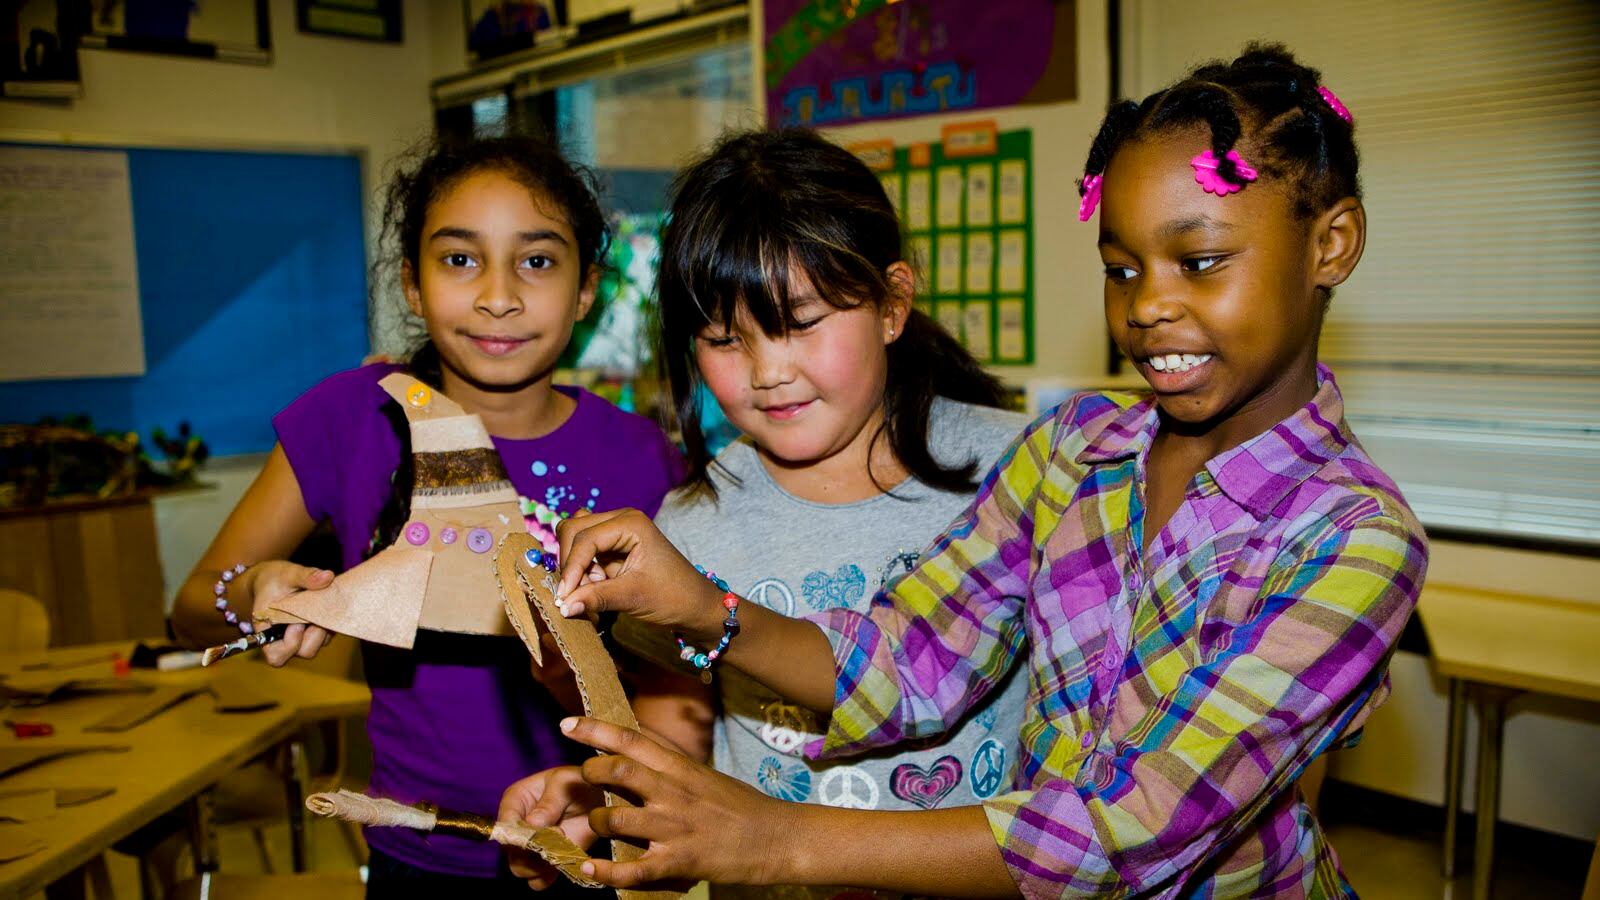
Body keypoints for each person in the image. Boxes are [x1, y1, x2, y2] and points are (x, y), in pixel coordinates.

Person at [519, 44, 1429, 897]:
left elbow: (1133, 827)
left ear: (1331, 244)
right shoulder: (1073, 452)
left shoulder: (1354, 539)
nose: (1149, 304)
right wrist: (703, 609)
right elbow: (915, 658)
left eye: (1199, 262)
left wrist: (774, 837)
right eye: (1121, 270)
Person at [499, 129, 1031, 897]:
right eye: (723, 338)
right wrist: (601, 805)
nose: (769, 372)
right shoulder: (685, 528)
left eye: (802, 321)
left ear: (892, 304)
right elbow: (674, 749)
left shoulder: (1022, 470)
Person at [171, 134, 684, 897]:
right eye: (460, 259)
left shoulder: (644, 457)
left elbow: (678, 684)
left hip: (586, 849)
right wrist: (247, 596)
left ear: (586, 290)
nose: (498, 295)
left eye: (537, 261)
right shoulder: (351, 419)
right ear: (412, 285)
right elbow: (190, 611)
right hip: (418, 856)